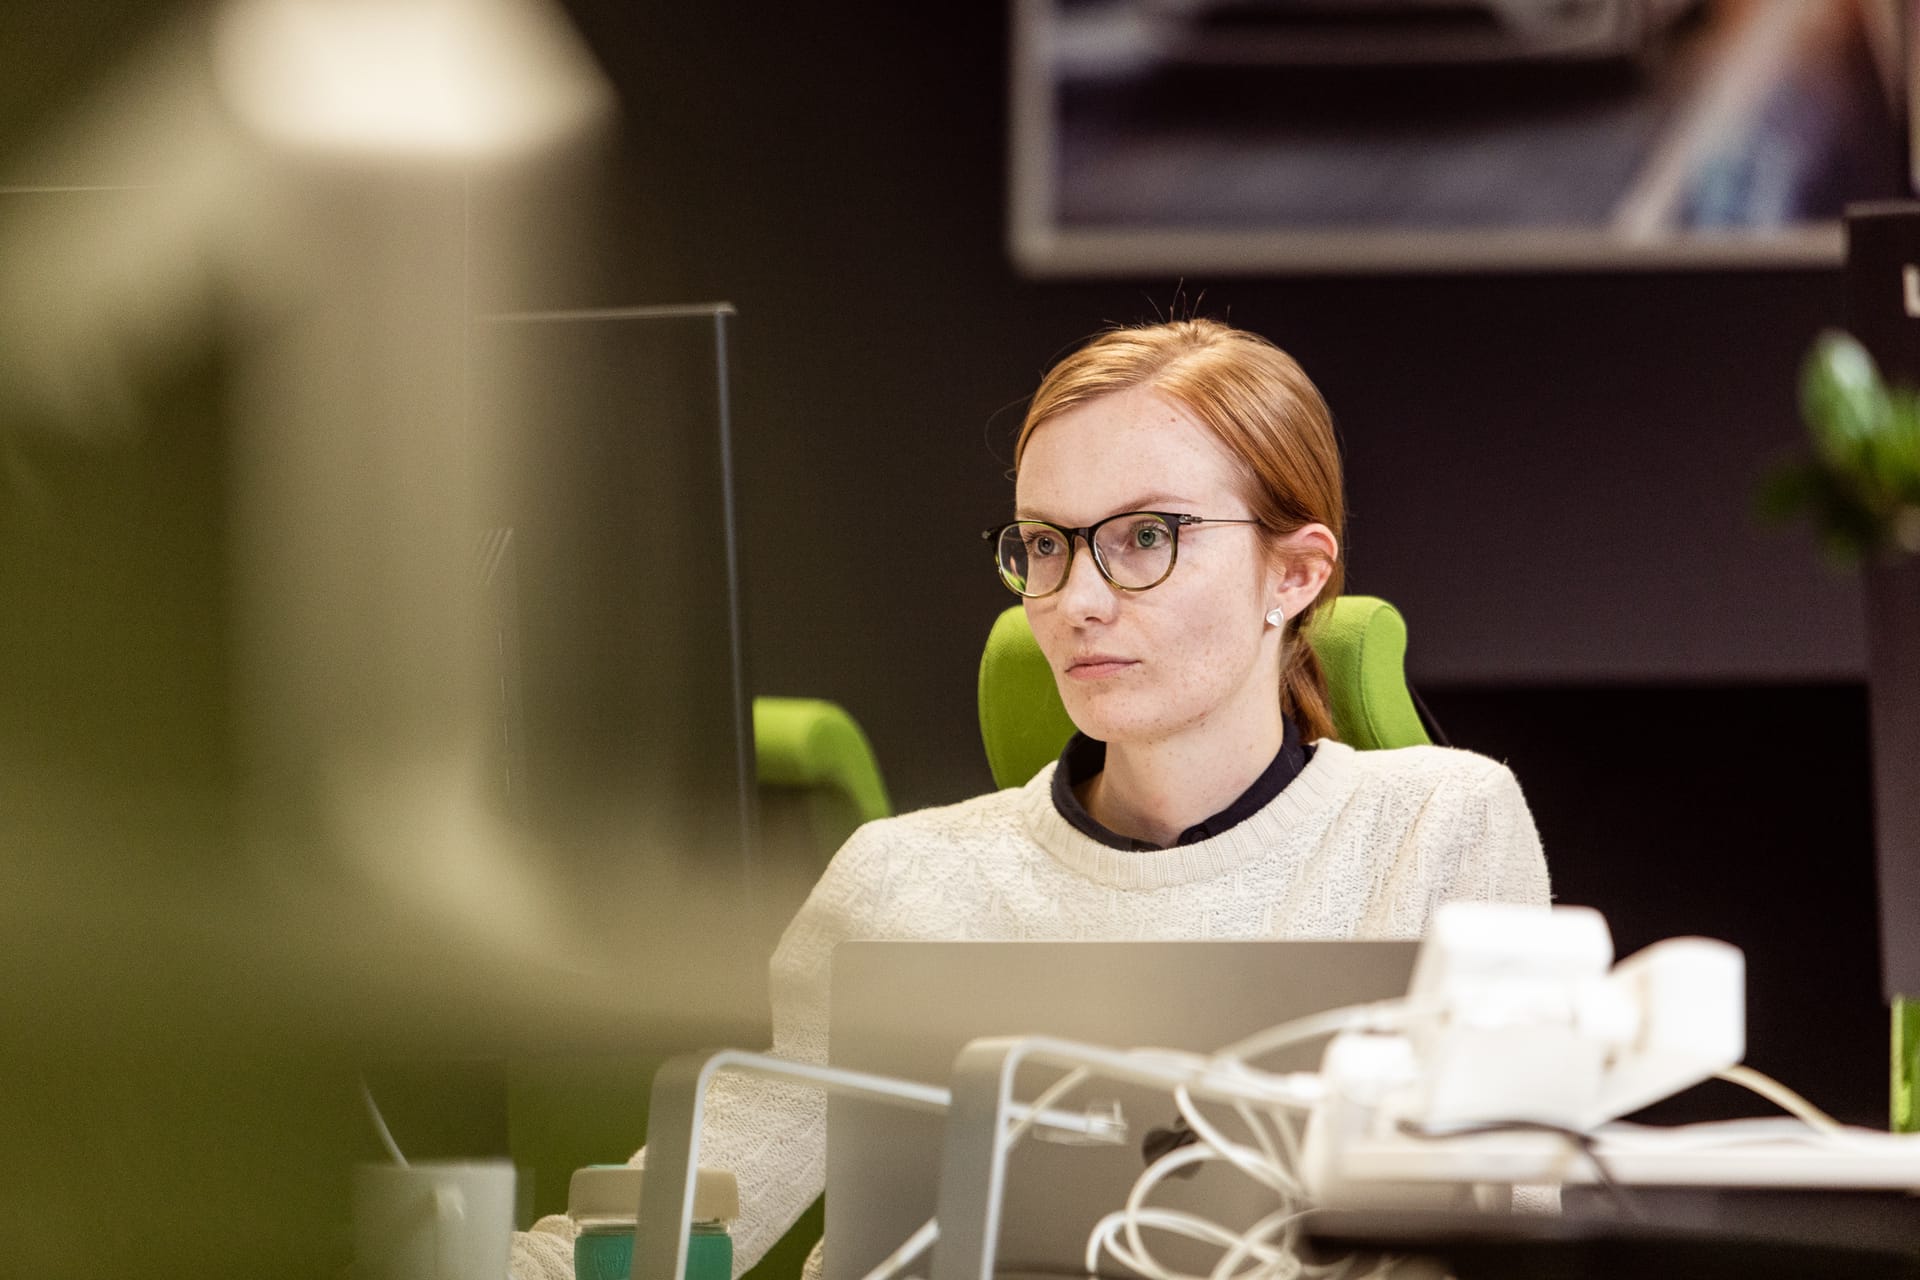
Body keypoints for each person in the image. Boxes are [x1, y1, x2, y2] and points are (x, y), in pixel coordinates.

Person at [510, 318, 1550, 1280]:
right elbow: (669, 1225)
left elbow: (1510, 1234)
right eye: (1046, 544)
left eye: (1146, 536)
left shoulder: (1436, 825)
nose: (1076, 600)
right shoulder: (904, 876)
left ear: (1295, 574)